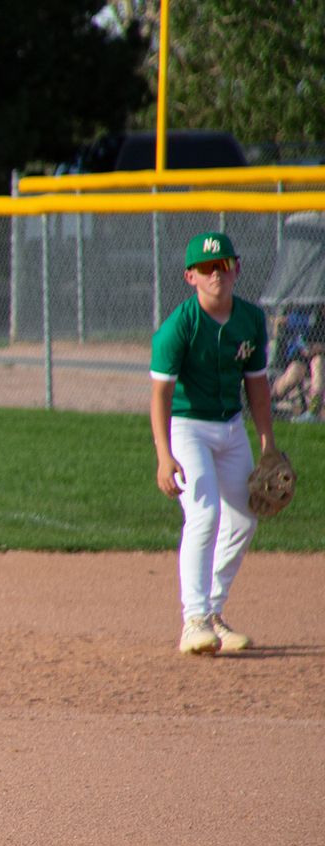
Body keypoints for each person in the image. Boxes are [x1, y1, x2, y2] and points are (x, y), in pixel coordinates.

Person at [149, 232, 281, 656]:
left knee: (243, 518)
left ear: (236, 268)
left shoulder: (250, 319)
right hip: (188, 427)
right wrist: (163, 455)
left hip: (230, 427)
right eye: (206, 268)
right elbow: (160, 396)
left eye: (223, 264)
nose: (216, 273)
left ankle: (213, 614)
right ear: (190, 276)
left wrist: (267, 446)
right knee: (203, 512)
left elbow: (257, 388)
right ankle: (193, 621)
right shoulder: (178, 327)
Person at [269, 305, 323, 421]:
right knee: (294, 373)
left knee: (318, 363)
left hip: (321, 356)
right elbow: (282, 321)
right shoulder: (307, 312)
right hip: (303, 353)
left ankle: (313, 411)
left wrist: (321, 348)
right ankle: (268, 398)